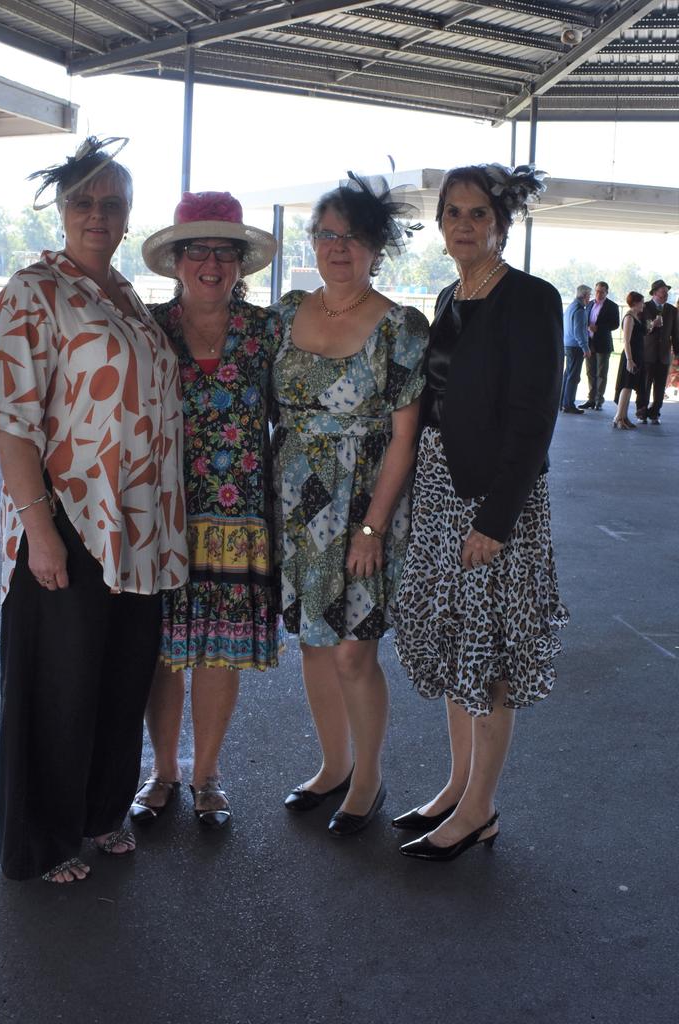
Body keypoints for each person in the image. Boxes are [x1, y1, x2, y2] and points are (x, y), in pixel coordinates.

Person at [0, 137, 188, 882]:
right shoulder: (34, 291)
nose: (97, 214)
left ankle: (100, 813)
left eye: (112, 202)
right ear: (62, 211)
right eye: (83, 202)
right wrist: (40, 532)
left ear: (129, 215)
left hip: (140, 527)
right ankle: (45, 841)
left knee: (117, 678)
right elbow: (10, 421)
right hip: (67, 516)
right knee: (57, 686)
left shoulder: (125, 296)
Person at [393, 163, 568, 861]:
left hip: (496, 502)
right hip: (440, 493)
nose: (465, 224)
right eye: (453, 213)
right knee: (455, 642)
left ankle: (480, 810)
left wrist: (494, 520)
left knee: (488, 651)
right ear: (440, 225)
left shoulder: (529, 298)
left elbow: (533, 418)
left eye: (477, 213)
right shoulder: (448, 296)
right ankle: (457, 788)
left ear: (500, 222)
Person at [272, 172, 429, 837]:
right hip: (293, 502)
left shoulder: (400, 327)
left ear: (376, 247)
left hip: (362, 504)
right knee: (312, 643)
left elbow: (404, 437)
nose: (338, 247)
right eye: (326, 234)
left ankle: (367, 776)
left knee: (352, 653)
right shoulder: (286, 312)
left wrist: (373, 525)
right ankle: (332, 764)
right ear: (312, 242)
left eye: (353, 236)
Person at [132, 192, 281, 828]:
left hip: (240, 522)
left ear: (241, 264)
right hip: (162, 516)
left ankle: (207, 774)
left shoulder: (268, 332)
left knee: (218, 653)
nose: (213, 263)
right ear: (176, 261)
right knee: (164, 653)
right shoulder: (148, 327)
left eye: (226, 251)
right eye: (199, 249)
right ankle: (162, 771)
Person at [639, 279, 678, 423]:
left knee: (660, 388)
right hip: (647, 353)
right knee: (645, 386)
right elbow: (641, 328)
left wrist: (677, 353)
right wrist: (652, 324)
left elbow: (676, 333)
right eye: (663, 292)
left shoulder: (672, 310)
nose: (666, 295)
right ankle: (642, 413)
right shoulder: (644, 307)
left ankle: (655, 413)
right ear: (655, 293)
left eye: (667, 292)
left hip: (664, 355)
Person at [581, 281, 620, 410]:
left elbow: (615, 324)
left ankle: (599, 400)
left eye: (602, 291)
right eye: (597, 291)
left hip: (603, 344)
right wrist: (587, 326)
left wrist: (599, 328)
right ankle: (591, 399)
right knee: (590, 372)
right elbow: (585, 319)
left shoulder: (612, 306)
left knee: (601, 374)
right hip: (589, 343)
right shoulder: (590, 303)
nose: (598, 293)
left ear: (606, 292)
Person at [612, 291, 646, 430]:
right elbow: (626, 341)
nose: (643, 305)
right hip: (630, 356)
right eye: (642, 302)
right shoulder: (629, 317)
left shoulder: (636, 317)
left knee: (630, 387)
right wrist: (629, 360)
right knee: (626, 386)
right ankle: (618, 417)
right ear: (636, 303)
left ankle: (624, 417)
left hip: (637, 355)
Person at [560, 284, 592, 413]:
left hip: (567, 344)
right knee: (573, 377)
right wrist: (585, 347)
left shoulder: (570, 307)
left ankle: (562, 402)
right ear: (584, 296)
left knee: (568, 374)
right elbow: (578, 331)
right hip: (576, 346)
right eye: (589, 295)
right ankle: (568, 405)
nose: (590, 298)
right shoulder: (579, 309)